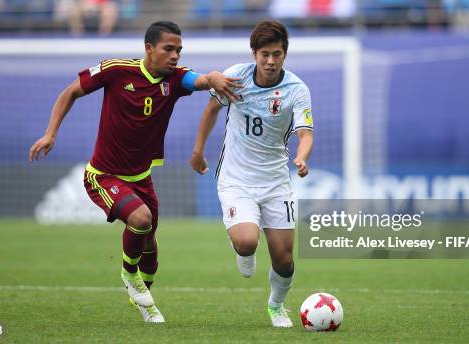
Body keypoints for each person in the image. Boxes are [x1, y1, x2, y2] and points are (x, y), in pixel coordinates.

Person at [29, 21, 241, 323]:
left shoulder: (176, 80)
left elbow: (203, 79)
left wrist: (216, 77)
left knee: (150, 246)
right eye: (169, 49)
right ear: (149, 48)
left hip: (141, 179)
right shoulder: (117, 70)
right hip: (102, 176)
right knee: (140, 220)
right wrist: (50, 134)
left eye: (179, 50)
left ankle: (143, 299)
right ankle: (129, 275)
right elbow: (70, 92)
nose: (175, 56)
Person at [189, 20, 313, 328]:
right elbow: (211, 110)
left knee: (284, 259)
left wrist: (301, 156)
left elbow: (306, 134)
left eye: (277, 54)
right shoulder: (235, 77)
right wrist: (198, 150)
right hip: (236, 179)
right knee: (247, 242)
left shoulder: (297, 90)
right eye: (265, 54)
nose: (271, 61)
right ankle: (242, 246)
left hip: (275, 182)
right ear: (254, 53)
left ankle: (276, 305)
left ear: (285, 54)